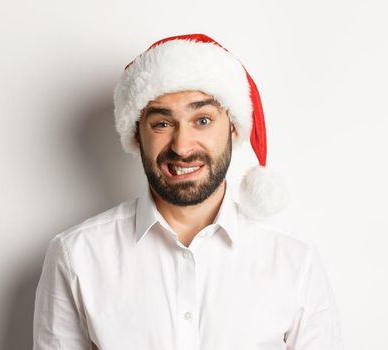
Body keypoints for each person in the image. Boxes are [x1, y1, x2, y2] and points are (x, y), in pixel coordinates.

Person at [32, 33, 344, 350]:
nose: (182, 147)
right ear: (137, 135)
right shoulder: (77, 256)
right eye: (162, 124)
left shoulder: (295, 264)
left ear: (233, 127)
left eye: (203, 120)